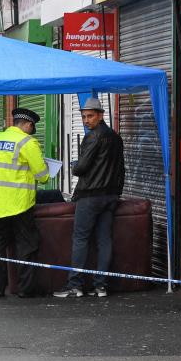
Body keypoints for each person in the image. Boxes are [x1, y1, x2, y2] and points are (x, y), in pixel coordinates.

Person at [54, 97, 125, 298]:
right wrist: (116, 192)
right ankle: (100, 286)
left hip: (90, 196)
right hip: (110, 196)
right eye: (84, 116)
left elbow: (82, 168)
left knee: (80, 238)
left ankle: (75, 285)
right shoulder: (116, 137)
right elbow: (121, 168)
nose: (86, 120)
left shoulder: (93, 137)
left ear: (101, 115)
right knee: (104, 240)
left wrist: (73, 165)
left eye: (90, 116)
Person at [0, 108, 50, 298]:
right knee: (27, 245)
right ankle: (25, 289)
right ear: (28, 125)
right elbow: (43, 175)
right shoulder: (27, 142)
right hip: (20, 204)